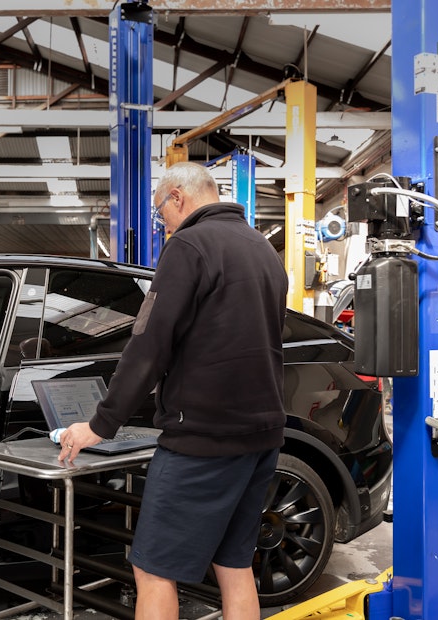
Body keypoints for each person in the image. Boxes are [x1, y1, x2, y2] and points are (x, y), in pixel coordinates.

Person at [56, 161, 289, 620]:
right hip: (261, 437)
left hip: (203, 440)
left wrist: (100, 425)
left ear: (178, 197)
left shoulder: (190, 245)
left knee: (153, 569)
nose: (163, 226)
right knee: (235, 563)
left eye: (161, 213)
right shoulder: (263, 249)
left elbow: (148, 346)